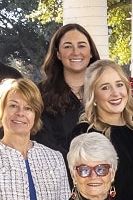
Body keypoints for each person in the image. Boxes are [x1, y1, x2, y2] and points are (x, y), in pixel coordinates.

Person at [74, 59, 133, 200]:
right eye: (105, 87)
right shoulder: (84, 134)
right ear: (93, 96)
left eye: (119, 84)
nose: (116, 93)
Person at [36, 23, 97, 155]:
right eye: (68, 46)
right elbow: (41, 139)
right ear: (58, 54)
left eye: (81, 46)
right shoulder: (41, 93)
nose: (76, 52)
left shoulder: (103, 90)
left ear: (91, 52)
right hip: (58, 169)